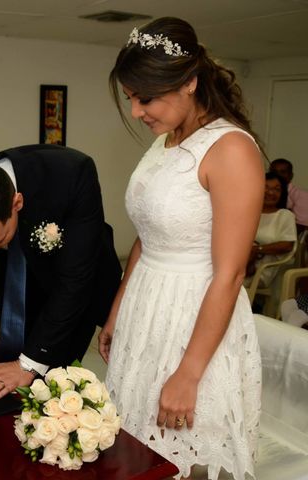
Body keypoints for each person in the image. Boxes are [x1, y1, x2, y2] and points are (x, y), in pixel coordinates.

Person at [99, 17, 263, 480]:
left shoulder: (230, 149)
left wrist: (189, 373)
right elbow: (146, 234)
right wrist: (117, 309)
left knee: (183, 452)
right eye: (130, 98)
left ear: (189, 83)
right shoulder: (166, 141)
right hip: (146, 303)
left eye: (144, 98)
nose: (135, 112)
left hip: (196, 313)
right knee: (135, 442)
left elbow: (230, 274)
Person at [0, 144, 122, 400]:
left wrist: (29, 365)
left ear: (16, 203)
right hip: (15, 282)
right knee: (7, 373)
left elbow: (74, 281)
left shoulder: (72, 173)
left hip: (74, 283)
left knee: (54, 379)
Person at [245, 171, 296, 287]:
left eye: (277, 189)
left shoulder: (284, 215)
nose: (271, 192)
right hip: (240, 264)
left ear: (282, 193)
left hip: (263, 269)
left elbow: (287, 245)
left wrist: (256, 249)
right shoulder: (247, 213)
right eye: (266, 187)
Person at [269, 158, 308, 232]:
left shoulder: (302, 196)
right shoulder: (264, 194)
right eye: (274, 172)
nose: (278, 175)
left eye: (283, 172)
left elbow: (302, 227)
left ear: (291, 176)